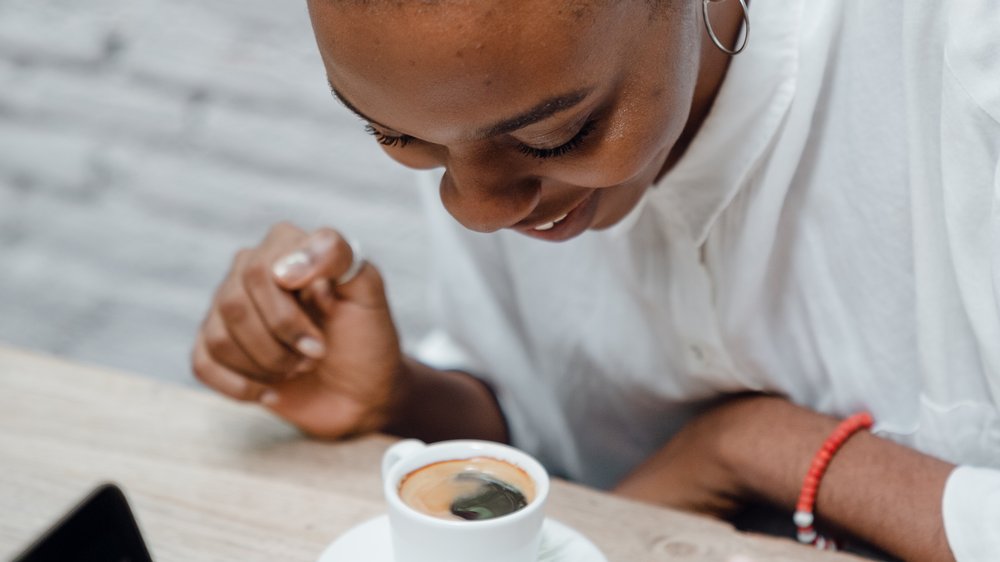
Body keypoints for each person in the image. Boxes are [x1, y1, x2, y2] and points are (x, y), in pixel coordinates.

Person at [190, 0, 1000, 560]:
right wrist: (403, 400)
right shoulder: (478, 94)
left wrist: (755, 447)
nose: (476, 208)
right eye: (398, 136)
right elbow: (563, 449)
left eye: (556, 135)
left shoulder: (963, 53)